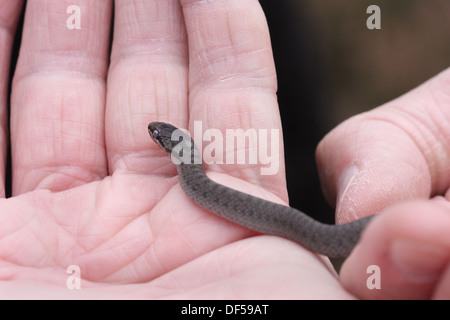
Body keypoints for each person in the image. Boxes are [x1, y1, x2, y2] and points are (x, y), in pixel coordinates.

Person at [0, 0, 449, 299]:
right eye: (161, 136)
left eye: (160, 137)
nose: (155, 137)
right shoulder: (192, 174)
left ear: (176, 149)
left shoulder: (195, 176)